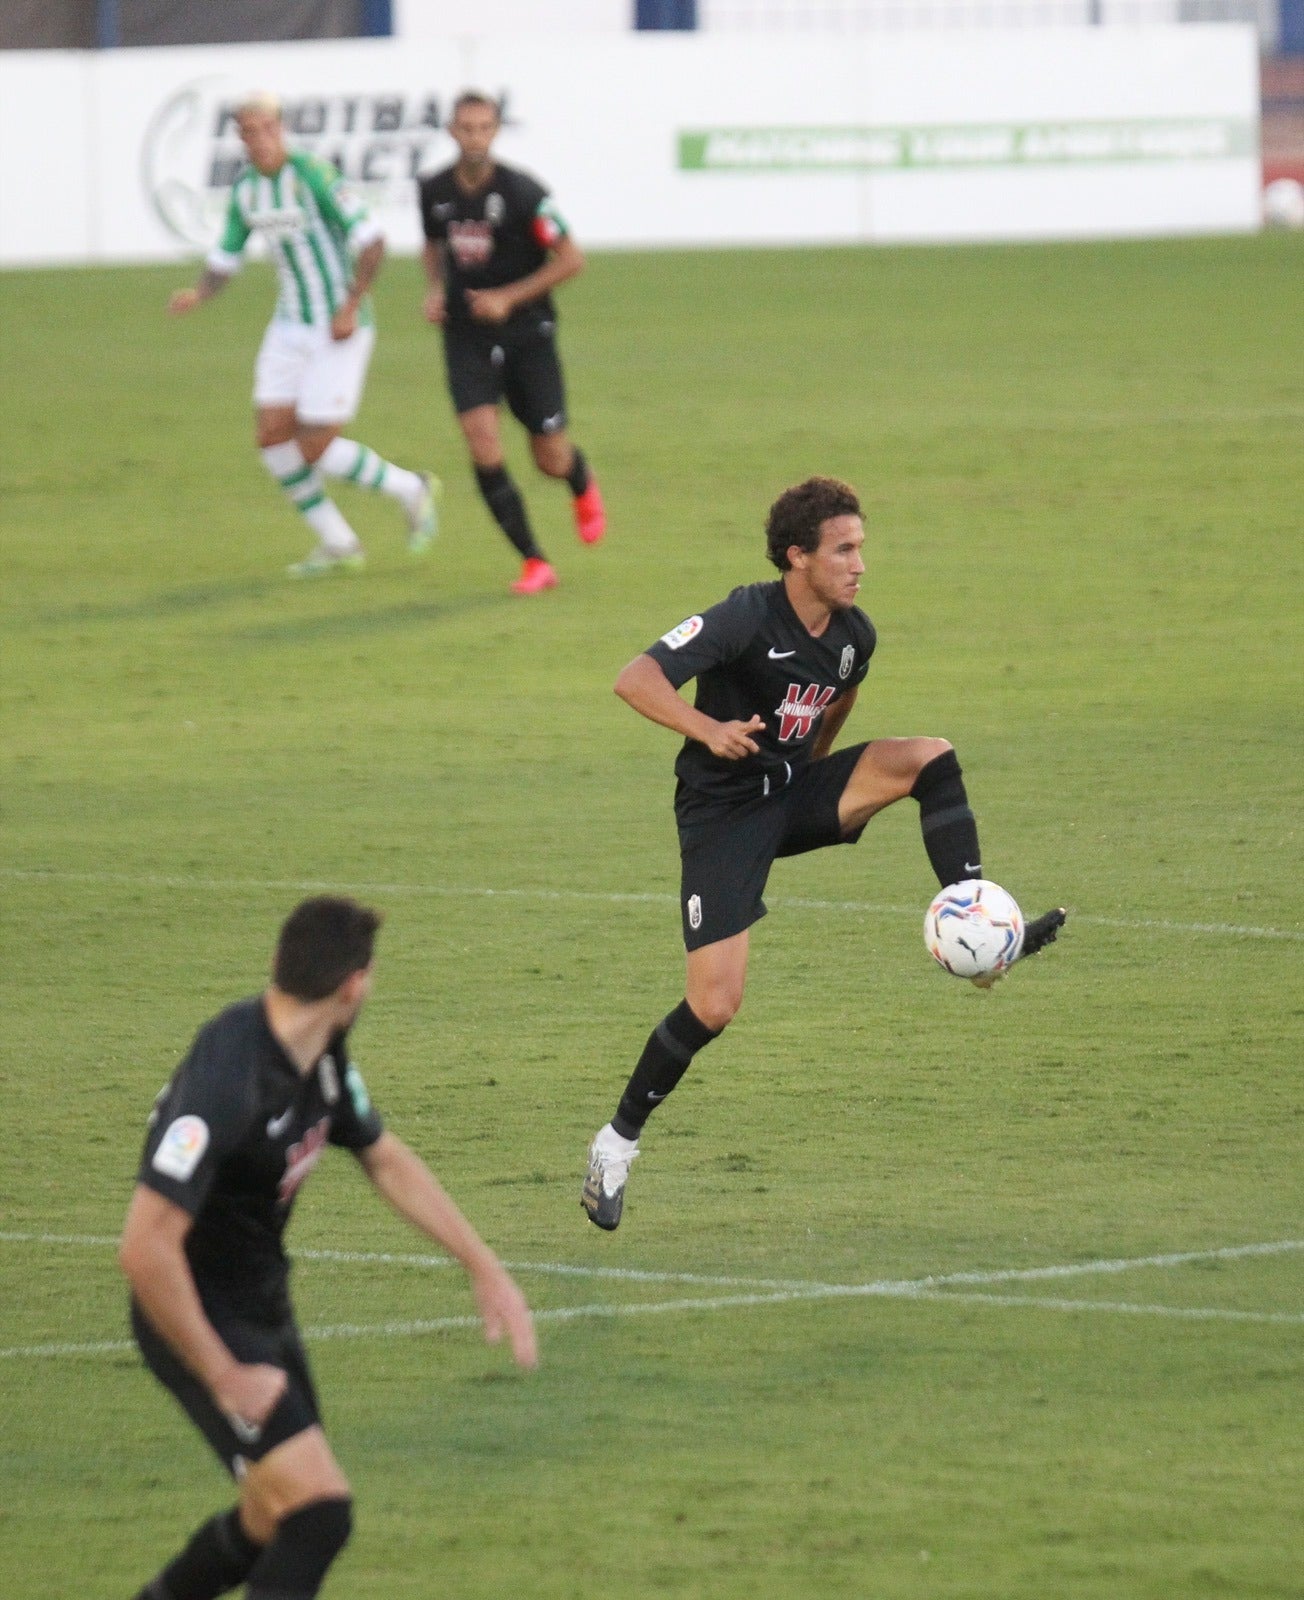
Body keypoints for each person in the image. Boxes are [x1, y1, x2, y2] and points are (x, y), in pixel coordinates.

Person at [582, 477, 1067, 1231]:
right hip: (723, 819)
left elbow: (839, 698)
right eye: (843, 550)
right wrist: (708, 730)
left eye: (860, 548)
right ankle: (615, 1145)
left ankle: (979, 925)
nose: (858, 565)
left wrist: (816, 767)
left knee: (929, 757)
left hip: (792, 791)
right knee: (715, 1004)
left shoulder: (853, 636)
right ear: (796, 556)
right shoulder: (746, 616)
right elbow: (634, 678)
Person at [120, 896, 537, 1600]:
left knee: (267, 1519)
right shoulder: (230, 1076)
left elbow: (384, 1158)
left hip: (261, 1307)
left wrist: (484, 1267)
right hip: (195, 1315)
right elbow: (143, 1247)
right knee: (318, 1514)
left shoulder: (319, 1056)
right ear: (354, 985)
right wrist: (223, 1374)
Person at [168, 92, 439, 578]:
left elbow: (373, 241)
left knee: (314, 446)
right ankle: (338, 542)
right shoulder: (247, 190)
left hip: (338, 328)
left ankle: (410, 489)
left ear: (281, 128)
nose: (260, 139)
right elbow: (227, 254)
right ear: (241, 138)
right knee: (272, 438)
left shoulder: (313, 175)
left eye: (267, 128)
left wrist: (350, 306)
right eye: (250, 132)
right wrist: (199, 293)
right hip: (289, 325)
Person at [418, 91, 605, 597]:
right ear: (452, 132)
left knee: (549, 457)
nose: (475, 137)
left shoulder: (524, 192)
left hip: (527, 332)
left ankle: (580, 480)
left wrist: (508, 298)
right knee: (483, 442)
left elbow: (572, 259)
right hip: (466, 333)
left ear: (496, 131)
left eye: (484, 127)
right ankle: (534, 561)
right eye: (466, 128)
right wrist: (434, 290)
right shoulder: (433, 189)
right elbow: (433, 246)